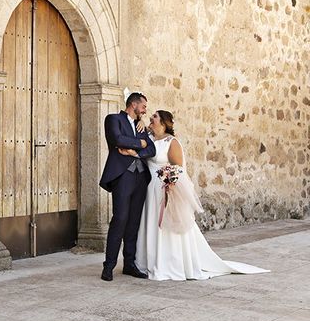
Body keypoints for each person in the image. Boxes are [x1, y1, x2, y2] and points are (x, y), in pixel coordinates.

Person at [122, 110, 269, 280]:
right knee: (151, 223)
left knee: (166, 227)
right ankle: (147, 262)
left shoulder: (172, 142)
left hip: (164, 189)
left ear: (163, 123)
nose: (151, 118)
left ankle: (170, 262)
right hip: (149, 189)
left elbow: (178, 168)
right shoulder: (150, 139)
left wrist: (170, 184)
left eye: (154, 117)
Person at [99, 92, 156, 282]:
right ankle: (108, 266)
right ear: (133, 104)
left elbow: (152, 149)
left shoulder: (141, 126)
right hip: (122, 176)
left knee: (134, 222)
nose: (145, 110)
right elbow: (117, 139)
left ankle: (129, 264)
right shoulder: (113, 119)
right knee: (120, 219)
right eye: (143, 106)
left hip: (140, 177)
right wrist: (140, 142)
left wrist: (136, 152)